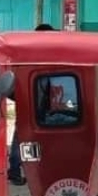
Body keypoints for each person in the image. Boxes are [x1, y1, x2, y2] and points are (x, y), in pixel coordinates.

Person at [8, 22, 58, 185]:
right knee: (23, 137)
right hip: (33, 105)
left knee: (26, 137)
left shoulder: (26, 56)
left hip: (36, 105)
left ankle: (23, 170)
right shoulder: (35, 58)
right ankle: (16, 169)